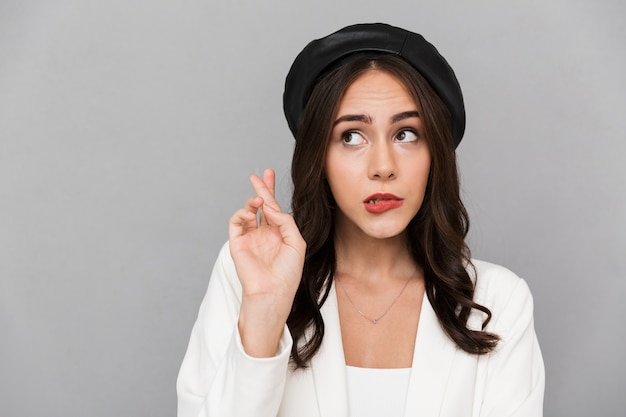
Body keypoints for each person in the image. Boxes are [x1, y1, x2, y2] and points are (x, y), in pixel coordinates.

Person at [176, 23, 545, 417]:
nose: (383, 167)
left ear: (434, 154)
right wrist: (264, 315)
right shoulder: (247, 277)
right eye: (352, 136)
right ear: (319, 157)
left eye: (406, 134)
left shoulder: (498, 300)